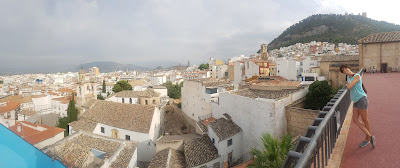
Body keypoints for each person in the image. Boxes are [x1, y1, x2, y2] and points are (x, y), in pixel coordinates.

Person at [340, 64, 375, 148]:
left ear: (349, 68)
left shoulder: (356, 76)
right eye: (343, 70)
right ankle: (370, 136)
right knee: (355, 120)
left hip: (362, 99)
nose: (345, 70)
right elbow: (348, 84)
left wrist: (347, 85)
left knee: (365, 120)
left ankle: (367, 138)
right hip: (355, 101)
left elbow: (349, 87)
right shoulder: (348, 78)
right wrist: (347, 84)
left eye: (345, 69)